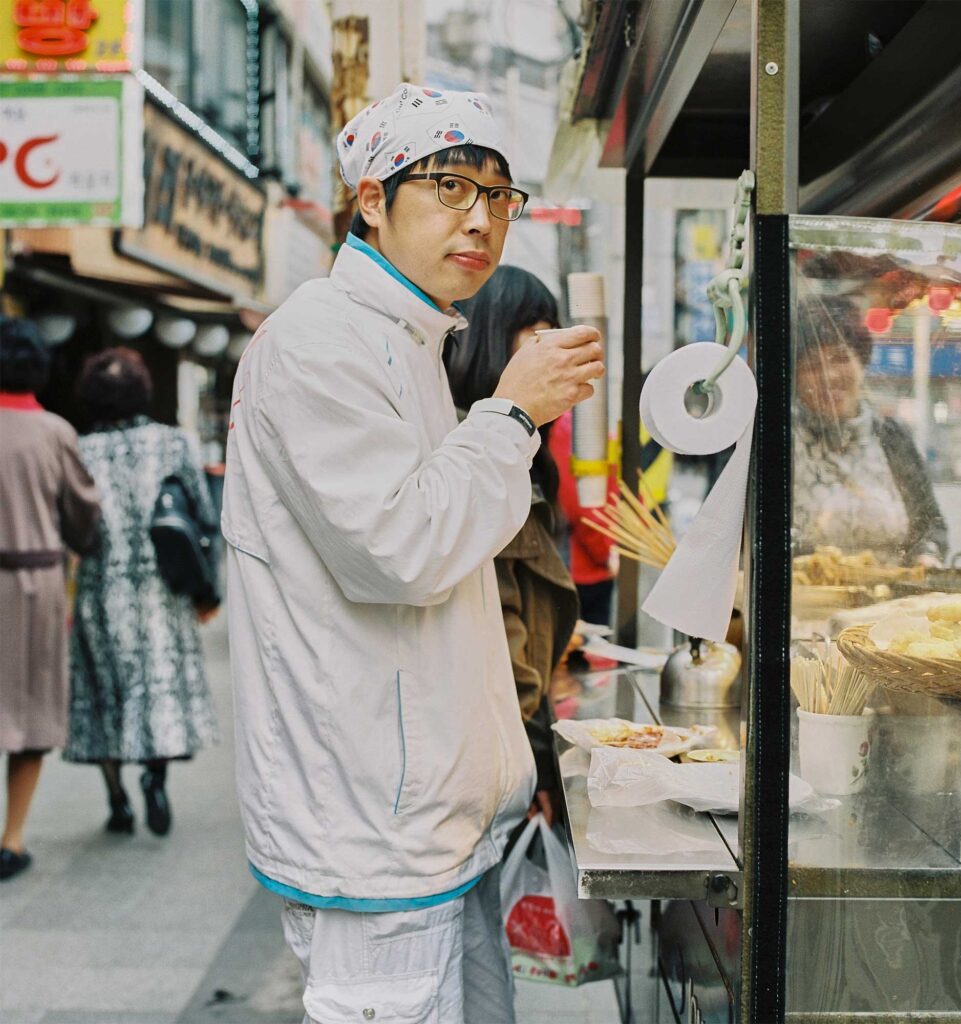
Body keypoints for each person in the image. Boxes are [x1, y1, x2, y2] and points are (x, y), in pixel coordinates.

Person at [222, 83, 603, 1023]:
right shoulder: (319, 341)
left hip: (433, 819)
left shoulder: (412, 338)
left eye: (498, 197)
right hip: (372, 827)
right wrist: (514, 413)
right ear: (371, 200)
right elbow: (400, 549)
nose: (480, 220)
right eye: (447, 187)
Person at [64, 348, 219, 837]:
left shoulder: (79, 449)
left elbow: (70, 525)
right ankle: (155, 776)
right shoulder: (172, 443)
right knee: (153, 691)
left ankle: (118, 801)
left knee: (103, 693)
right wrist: (206, 591)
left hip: (98, 591)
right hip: (161, 591)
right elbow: (203, 516)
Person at [445, 265, 580, 827]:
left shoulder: (524, 451)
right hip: (490, 759)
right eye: (535, 332)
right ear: (491, 338)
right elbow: (503, 633)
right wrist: (537, 767)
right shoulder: (477, 454)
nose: (553, 349)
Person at [0, 318, 100, 881]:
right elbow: (84, 511)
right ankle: (11, 838)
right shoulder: (55, 433)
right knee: (29, 711)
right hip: (34, 584)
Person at [793, 295, 948, 564]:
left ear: (861, 362)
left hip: (890, 600)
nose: (829, 376)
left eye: (840, 358)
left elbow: (930, 528)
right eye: (812, 366)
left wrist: (927, 557)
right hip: (803, 602)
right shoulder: (776, 439)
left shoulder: (892, 437)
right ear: (794, 377)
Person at [549, 416, 618, 626]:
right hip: (586, 564)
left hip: (594, 558)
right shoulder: (574, 429)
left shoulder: (574, 425)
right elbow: (583, 502)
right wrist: (604, 552)